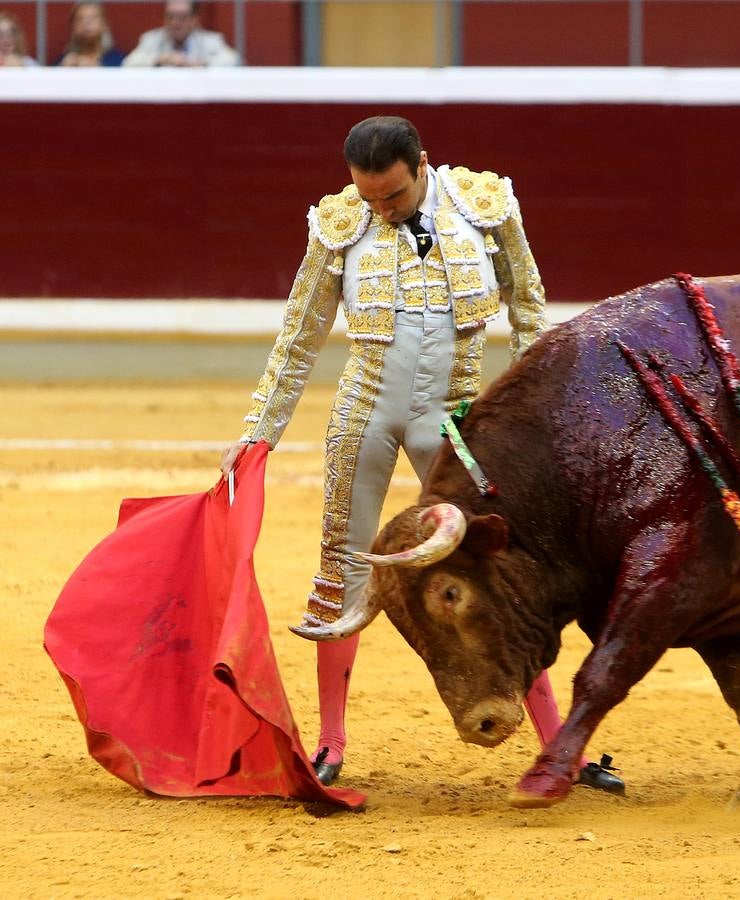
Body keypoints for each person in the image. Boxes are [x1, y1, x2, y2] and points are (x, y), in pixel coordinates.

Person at [220, 116, 624, 795]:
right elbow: (299, 335)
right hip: (363, 414)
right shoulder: (340, 224)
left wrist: (530, 416)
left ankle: (561, 748)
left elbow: (528, 306)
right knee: (341, 572)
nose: (379, 209)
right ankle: (330, 743)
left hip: (460, 418)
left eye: (393, 197)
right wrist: (259, 429)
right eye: (369, 196)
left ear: (422, 165)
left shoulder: (484, 206)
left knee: (497, 577)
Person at [122, 0, 238, 67]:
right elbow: (128, 64)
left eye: (182, 17)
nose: (175, 23)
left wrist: (199, 63)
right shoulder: (151, 39)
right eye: (170, 17)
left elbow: (234, 62)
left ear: (194, 20)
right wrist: (159, 60)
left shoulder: (211, 41)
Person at [54, 2, 126, 67]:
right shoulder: (64, 61)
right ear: (73, 27)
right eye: (80, 19)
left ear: (105, 25)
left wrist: (99, 68)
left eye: (93, 18)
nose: (86, 23)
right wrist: (62, 69)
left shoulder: (118, 61)